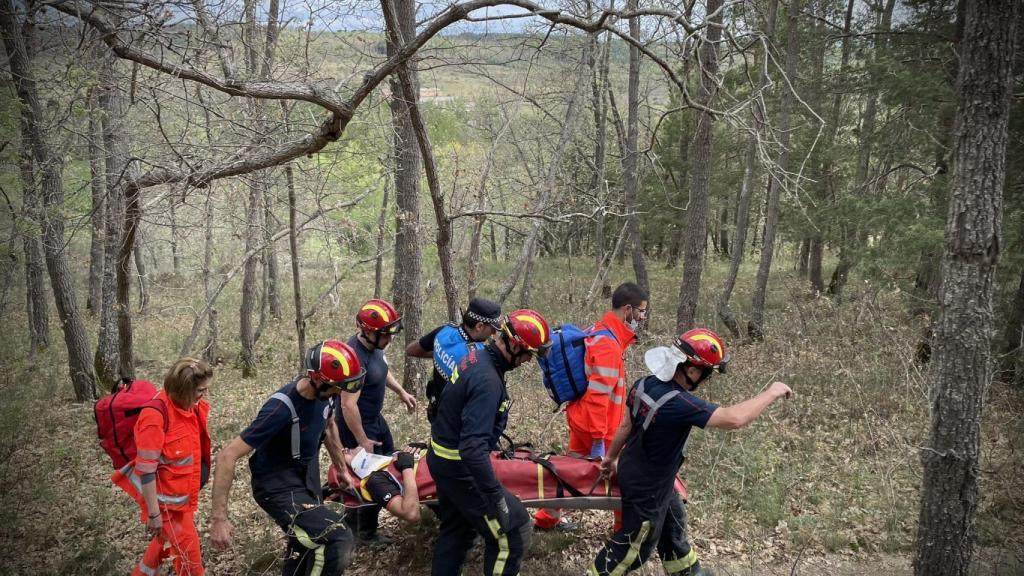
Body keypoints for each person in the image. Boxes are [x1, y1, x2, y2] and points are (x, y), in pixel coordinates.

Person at [588, 328, 793, 576]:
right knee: (634, 547)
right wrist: (772, 392)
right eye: (706, 375)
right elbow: (734, 418)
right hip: (648, 488)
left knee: (673, 519)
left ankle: (686, 571)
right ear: (692, 370)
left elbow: (626, 425)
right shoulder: (679, 403)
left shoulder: (643, 384)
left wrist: (610, 458)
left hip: (639, 470)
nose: (705, 381)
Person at [209, 340, 365, 576]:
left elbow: (329, 425)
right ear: (319, 379)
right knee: (337, 536)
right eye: (337, 387)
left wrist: (341, 468)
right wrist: (219, 519)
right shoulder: (280, 409)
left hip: (305, 477)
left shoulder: (327, 395)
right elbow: (226, 456)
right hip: (277, 486)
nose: (339, 393)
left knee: (304, 545)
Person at [428, 309, 552, 576]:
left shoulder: (476, 355)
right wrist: (495, 495)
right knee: (513, 530)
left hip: (442, 459)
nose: (529, 360)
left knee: (457, 531)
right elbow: (472, 449)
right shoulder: (487, 381)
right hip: (459, 468)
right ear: (515, 346)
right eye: (528, 353)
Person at [535, 282, 649, 532]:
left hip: (583, 419)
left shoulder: (602, 331)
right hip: (601, 426)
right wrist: (599, 438)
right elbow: (599, 396)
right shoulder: (608, 344)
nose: (642, 317)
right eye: (641, 311)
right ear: (627, 309)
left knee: (567, 471)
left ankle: (546, 518)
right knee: (622, 478)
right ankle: (623, 529)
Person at [113, 357, 214, 576]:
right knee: (191, 560)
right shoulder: (154, 417)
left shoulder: (190, 408)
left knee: (163, 546)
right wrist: (154, 515)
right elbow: (146, 470)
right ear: (183, 390)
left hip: (182, 501)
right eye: (200, 390)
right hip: (165, 508)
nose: (204, 394)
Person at [337, 298, 417, 544]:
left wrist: (401, 391)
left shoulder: (375, 346)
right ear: (369, 332)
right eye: (386, 334)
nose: (390, 339)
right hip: (357, 426)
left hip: (375, 419)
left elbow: (381, 370)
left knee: (386, 469)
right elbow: (347, 404)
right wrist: (362, 439)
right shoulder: (355, 359)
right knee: (369, 477)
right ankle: (362, 533)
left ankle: (361, 528)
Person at [406, 297, 503, 422]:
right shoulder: (477, 356)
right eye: (493, 329)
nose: (493, 333)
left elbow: (411, 350)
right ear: (479, 326)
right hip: (456, 423)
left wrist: (439, 353)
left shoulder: (444, 331)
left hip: (436, 410)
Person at [332, 445, 423, 523]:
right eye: (345, 452)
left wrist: (421, 450)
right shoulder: (375, 481)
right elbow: (411, 514)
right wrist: (407, 468)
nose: (346, 448)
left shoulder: (385, 459)